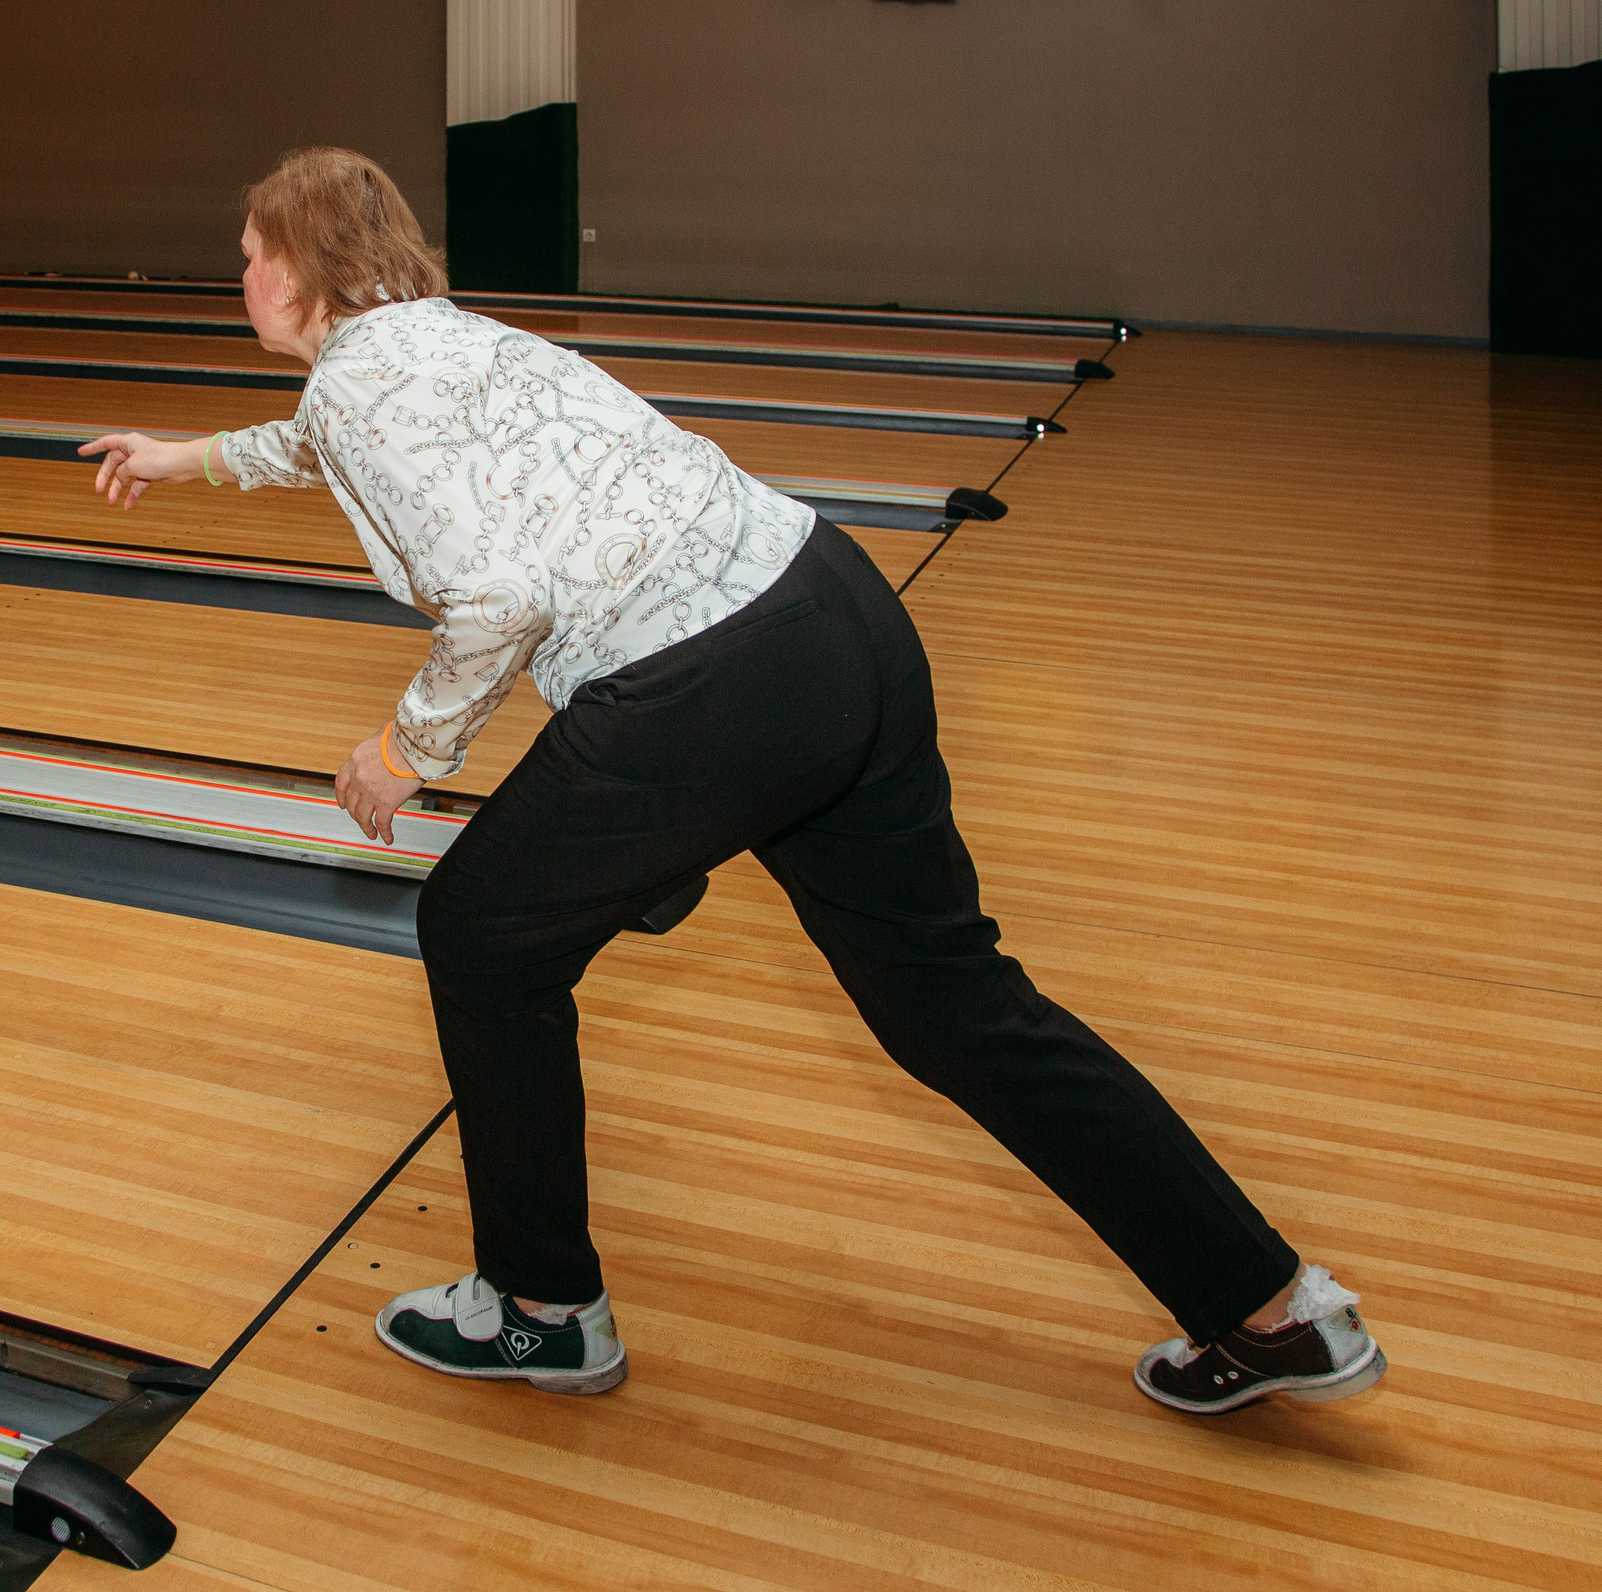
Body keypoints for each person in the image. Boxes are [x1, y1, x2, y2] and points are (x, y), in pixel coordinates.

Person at [81, 147, 1384, 1414]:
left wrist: (402, 751)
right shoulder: (440, 340)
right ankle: (1272, 1306)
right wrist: (185, 455)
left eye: (252, 255)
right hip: (833, 610)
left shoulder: (366, 385)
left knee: (476, 931)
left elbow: (500, 596)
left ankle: (540, 1309)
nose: (239, 274)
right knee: (955, 1004)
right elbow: (320, 441)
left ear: (306, 271)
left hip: (706, 691)